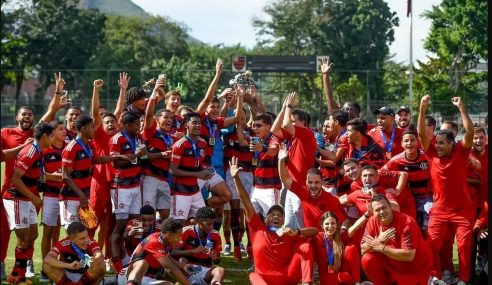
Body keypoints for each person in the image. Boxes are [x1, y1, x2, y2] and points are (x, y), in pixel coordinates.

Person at [230, 156, 317, 285]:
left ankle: (306, 283)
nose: (276, 216)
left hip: (286, 278)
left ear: (283, 220)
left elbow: (314, 231)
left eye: (279, 215)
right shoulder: (258, 229)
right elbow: (246, 201)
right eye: (272, 214)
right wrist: (236, 178)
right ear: (266, 219)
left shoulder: (288, 234)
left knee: (305, 247)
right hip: (263, 279)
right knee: (253, 275)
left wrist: (297, 232)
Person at [417, 95, 474, 284]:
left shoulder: (462, 152)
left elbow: (470, 132)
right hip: (440, 211)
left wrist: (462, 108)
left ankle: (463, 280)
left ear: (451, 143)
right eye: (437, 142)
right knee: (432, 244)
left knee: (464, 245)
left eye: (442, 143)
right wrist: (422, 108)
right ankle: (436, 277)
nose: (438, 146)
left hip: (463, 210)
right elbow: (421, 134)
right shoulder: (431, 153)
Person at [3, 121, 56, 284]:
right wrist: (33, 197)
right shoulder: (31, 152)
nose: (54, 138)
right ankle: (19, 278)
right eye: (52, 135)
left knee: (33, 235)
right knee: (24, 238)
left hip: (27, 198)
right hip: (16, 198)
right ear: (45, 136)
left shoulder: (39, 151)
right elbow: (15, 179)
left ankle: (15, 273)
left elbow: (35, 175)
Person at [61, 115, 127, 228]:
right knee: (74, 232)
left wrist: (118, 157)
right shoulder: (71, 148)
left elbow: (97, 160)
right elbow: (65, 177)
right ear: (83, 129)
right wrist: (81, 195)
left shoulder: (89, 145)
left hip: (84, 196)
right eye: (92, 127)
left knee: (85, 229)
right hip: (71, 197)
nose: (95, 129)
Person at [90, 75, 127, 258]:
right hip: (98, 184)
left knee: (112, 224)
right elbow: (96, 113)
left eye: (113, 122)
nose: (110, 124)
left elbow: (119, 110)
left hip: (116, 184)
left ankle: (108, 258)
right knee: (92, 222)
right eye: (107, 122)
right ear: (100, 125)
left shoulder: (118, 135)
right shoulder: (97, 135)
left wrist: (122, 90)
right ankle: (86, 256)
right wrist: (96, 90)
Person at [361, 194, 432, 284]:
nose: (382, 212)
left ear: (390, 207)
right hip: (390, 263)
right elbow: (363, 249)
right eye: (377, 210)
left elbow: (409, 256)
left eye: (384, 207)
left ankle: (430, 279)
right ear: (373, 212)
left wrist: (382, 248)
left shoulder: (406, 223)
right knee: (367, 259)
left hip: (414, 267)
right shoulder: (372, 221)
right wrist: (379, 240)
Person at [109, 111, 148, 274]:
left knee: (136, 224)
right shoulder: (117, 139)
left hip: (135, 185)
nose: (139, 126)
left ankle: (131, 258)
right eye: (135, 124)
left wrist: (142, 155)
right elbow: (115, 163)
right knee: (119, 226)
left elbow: (142, 158)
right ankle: (117, 265)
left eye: (139, 123)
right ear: (125, 125)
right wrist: (134, 155)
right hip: (122, 188)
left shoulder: (137, 137)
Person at [278, 144, 347, 230]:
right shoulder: (303, 192)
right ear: (306, 183)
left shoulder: (332, 200)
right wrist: (281, 160)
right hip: (309, 238)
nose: (313, 185)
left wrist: (340, 233)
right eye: (310, 182)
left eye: (316, 182)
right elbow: (285, 179)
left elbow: (345, 221)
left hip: (325, 240)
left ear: (322, 182)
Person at [379, 130, 432, 237]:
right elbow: (381, 172)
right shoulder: (397, 160)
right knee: (414, 229)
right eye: (406, 141)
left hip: (428, 198)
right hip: (411, 200)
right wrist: (399, 174)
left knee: (427, 230)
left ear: (417, 142)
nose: (409, 143)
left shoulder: (426, 156)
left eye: (412, 140)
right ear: (402, 144)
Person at [142, 77, 175, 219]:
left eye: (171, 118)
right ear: (157, 120)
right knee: (148, 215)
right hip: (150, 179)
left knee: (166, 217)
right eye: (165, 117)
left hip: (164, 180)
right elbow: (148, 114)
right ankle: (145, 241)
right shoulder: (151, 132)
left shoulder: (172, 138)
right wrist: (155, 90)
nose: (169, 120)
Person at [169, 112, 212, 225]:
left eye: (199, 123)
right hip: (180, 191)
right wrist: (197, 174)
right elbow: (173, 171)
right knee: (178, 224)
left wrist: (206, 171)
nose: (197, 125)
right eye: (194, 123)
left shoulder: (202, 143)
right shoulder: (179, 145)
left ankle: (194, 241)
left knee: (204, 220)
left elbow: (201, 163)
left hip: (194, 189)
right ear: (186, 125)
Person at [122, 218, 191, 285]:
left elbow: (166, 257)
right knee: (143, 263)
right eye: (178, 236)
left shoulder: (167, 241)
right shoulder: (154, 241)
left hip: (146, 278)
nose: (180, 240)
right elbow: (169, 268)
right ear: (168, 234)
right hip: (127, 277)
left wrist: (182, 265)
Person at [39, 121, 66, 282]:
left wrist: (60, 174)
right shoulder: (45, 150)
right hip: (50, 196)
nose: (64, 132)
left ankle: (54, 265)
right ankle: (45, 267)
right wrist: (58, 175)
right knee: (47, 233)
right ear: (53, 133)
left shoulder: (69, 147)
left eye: (64, 129)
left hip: (65, 196)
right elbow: (40, 175)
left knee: (57, 233)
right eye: (60, 129)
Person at [171, 207, 225, 285]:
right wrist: (192, 251)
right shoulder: (186, 231)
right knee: (182, 260)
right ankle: (184, 281)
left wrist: (216, 257)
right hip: (188, 269)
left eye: (213, 223)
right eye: (209, 224)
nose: (212, 227)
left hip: (204, 270)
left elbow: (218, 261)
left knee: (220, 270)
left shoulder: (215, 235)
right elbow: (172, 252)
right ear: (199, 222)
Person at [311, 211, 363, 284]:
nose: (330, 226)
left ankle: (357, 282)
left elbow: (354, 228)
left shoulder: (340, 236)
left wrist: (366, 215)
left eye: (333, 223)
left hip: (343, 274)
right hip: (327, 276)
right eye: (327, 224)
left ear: (337, 225)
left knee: (351, 248)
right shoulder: (318, 238)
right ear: (322, 226)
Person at [249, 113, 281, 217]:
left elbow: (274, 151)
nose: (255, 128)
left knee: (273, 221)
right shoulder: (256, 139)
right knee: (252, 221)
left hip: (270, 189)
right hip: (255, 188)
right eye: (254, 126)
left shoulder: (274, 138)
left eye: (258, 126)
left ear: (268, 127)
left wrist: (262, 148)